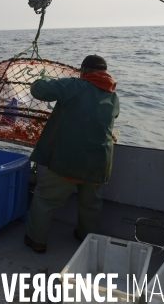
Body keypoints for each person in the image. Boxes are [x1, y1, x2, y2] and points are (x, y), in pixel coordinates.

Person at [24, 55, 119, 253]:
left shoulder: (74, 85)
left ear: (83, 71)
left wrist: (46, 79)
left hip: (70, 161)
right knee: (91, 204)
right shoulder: (112, 95)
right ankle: (86, 239)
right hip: (100, 162)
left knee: (45, 199)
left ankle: (36, 240)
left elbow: (37, 90)